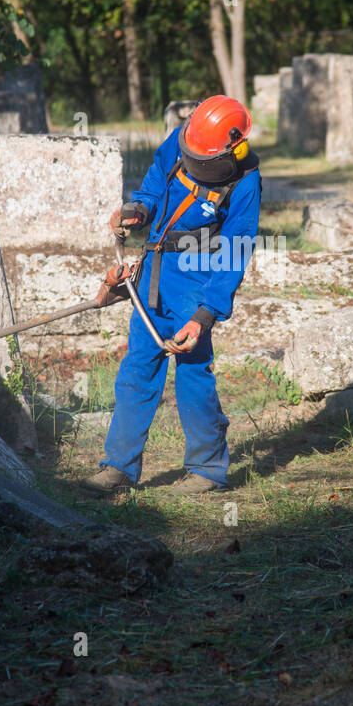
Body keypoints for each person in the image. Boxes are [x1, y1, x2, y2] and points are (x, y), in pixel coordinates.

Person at [83, 95, 261, 496]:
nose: (193, 160)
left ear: (233, 150)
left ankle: (208, 471)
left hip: (196, 284)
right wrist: (139, 210)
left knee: (194, 375)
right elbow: (153, 183)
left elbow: (235, 251)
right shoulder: (184, 139)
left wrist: (204, 316)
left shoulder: (245, 182)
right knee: (136, 371)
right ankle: (118, 468)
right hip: (153, 276)